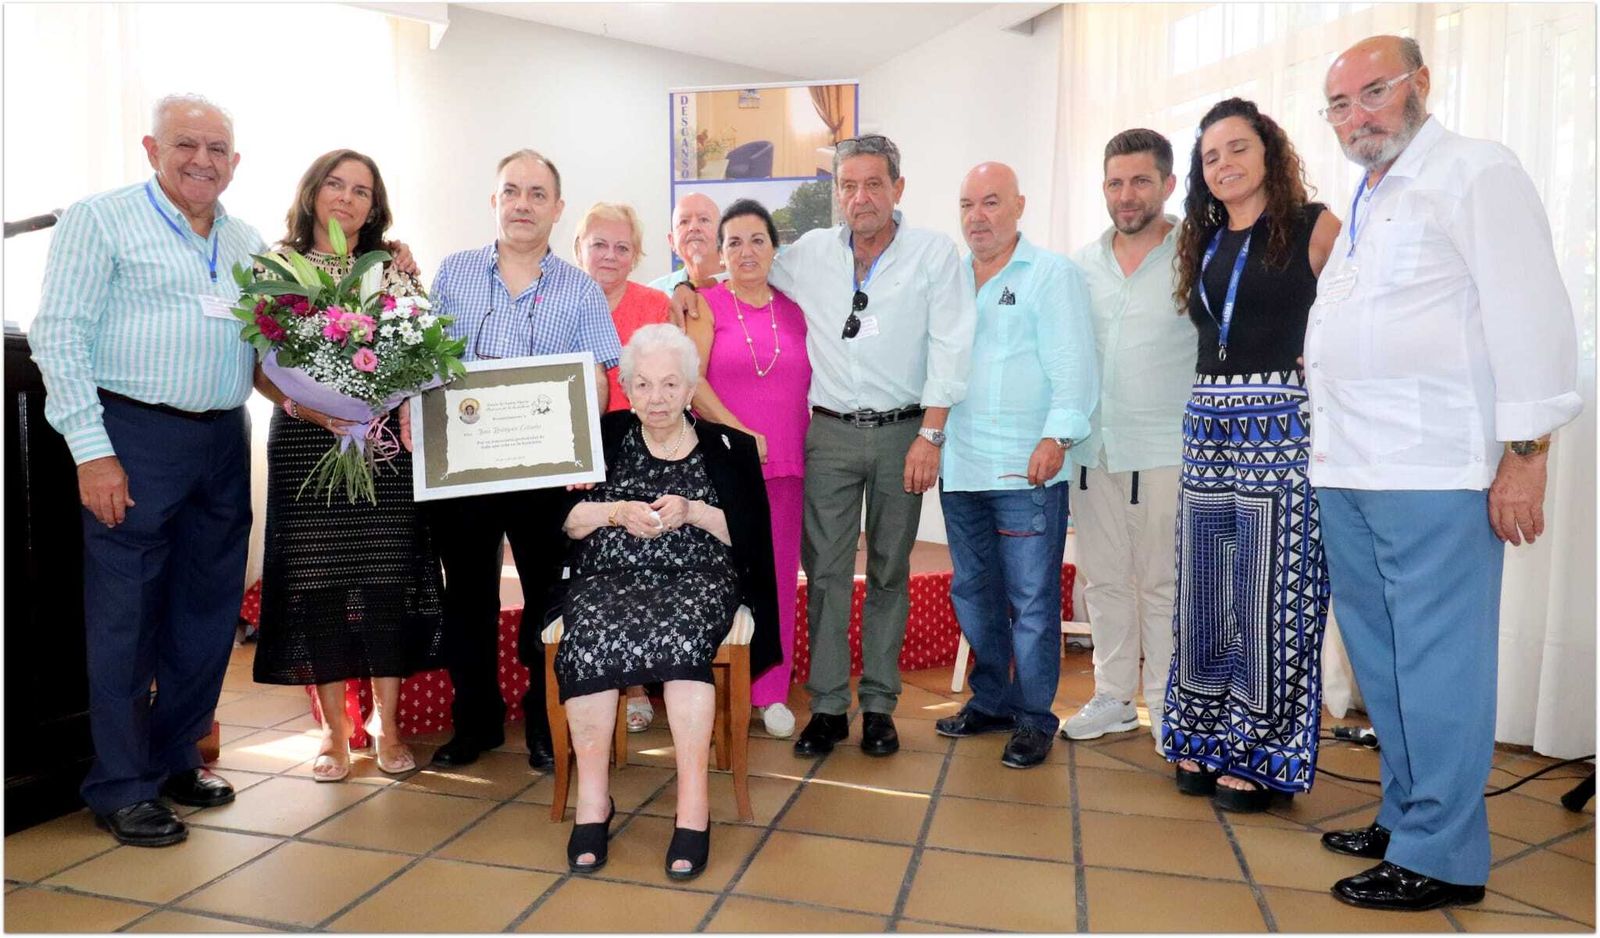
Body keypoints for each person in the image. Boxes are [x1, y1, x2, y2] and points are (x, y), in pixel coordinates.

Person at [1308, 36, 1582, 911]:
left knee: (1438, 664)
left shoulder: (1476, 172)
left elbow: (1533, 318)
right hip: (1350, 463)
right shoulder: (1373, 191)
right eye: (1340, 105)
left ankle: (1445, 854)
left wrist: (1526, 458)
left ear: (1419, 86)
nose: (1358, 116)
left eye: (1373, 93)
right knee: (1384, 661)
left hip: (1435, 467)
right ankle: (1405, 815)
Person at [678, 134, 975, 759]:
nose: (860, 197)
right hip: (830, 433)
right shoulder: (810, 253)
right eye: (848, 185)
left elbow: (952, 345)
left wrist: (931, 434)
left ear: (898, 188)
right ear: (836, 193)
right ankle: (831, 707)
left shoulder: (934, 254)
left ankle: (880, 706)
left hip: (905, 432)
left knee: (892, 570)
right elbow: (742, 262)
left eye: (873, 184)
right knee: (830, 572)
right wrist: (686, 281)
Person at [30, 94, 261, 846]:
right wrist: (92, 451)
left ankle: (173, 759)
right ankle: (120, 785)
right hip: (133, 436)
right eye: (186, 144)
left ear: (236, 161)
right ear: (151, 147)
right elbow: (58, 334)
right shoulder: (100, 220)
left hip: (224, 441)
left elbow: (271, 350)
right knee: (126, 619)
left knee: (206, 615)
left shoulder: (247, 241)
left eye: (217, 149)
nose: (203, 160)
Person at [1163, 98, 1342, 812]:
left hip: (1284, 424)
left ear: (1270, 152)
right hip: (1207, 418)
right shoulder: (1200, 238)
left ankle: (1263, 753)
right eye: (1211, 157)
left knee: (1274, 592)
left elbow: (1362, 302)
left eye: (1238, 148)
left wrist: (1324, 356)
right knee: (1206, 585)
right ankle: (1203, 733)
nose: (1225, 164)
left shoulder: (1313, 225)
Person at [555, 324, 779, 879]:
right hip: (608, 576)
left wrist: (695, 512)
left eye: (670, 384)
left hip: (699, 577)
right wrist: (615, 512)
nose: (657, 398)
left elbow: (750, 538)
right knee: (589, 633)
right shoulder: (599, 438)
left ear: (690, 388)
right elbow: (562, 520)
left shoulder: (730, 447)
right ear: (627, 387)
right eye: (644, 384)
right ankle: (593, 803)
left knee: (683, 637)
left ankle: (693, 808)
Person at [249, 149, 445, 781]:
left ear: (374, 205)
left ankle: (388, 727)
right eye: (335, 184)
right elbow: (259, 367)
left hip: (382, 444)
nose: (347, 198)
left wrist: (374, 403)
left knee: (386, 581)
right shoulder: (276, 267)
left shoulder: (393, 267)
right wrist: (317, 413)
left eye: (362, 190)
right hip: (306, 441)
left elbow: (419, 349)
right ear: (312, 192)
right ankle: (337, 733)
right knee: (321, 588)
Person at [426, 149, 622, 771]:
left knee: (546, 601)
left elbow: (597, 379)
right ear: (494, 200)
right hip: (464, 472)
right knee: (469, 602)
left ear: (557, 210)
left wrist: (582, 446)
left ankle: (544, 722)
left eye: (538, 194)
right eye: (512, 191)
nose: (523, 204)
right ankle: (475, 723)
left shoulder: (580, 288)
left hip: (548, 477)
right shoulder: (452, 275)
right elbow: (427, 368)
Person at [933, 163, 1097, 769]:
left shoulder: (1051, 275)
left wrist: (1057, 436)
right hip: (961, 465)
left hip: (1027, 469)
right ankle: (992, 701)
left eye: (992, 202)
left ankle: (1033, 717)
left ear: (1020, 206)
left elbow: (1074, 364)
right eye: (968, 204)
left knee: (1030, 601)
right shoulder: (950, 277)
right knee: (974, 593)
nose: (978, 216)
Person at [1062, 130, 1195, 748]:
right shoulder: (1081, 264)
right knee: (1105, 581)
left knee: (1164, 583)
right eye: (1115, 182)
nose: (1126, 194)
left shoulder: (1199, 255)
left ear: (1168, 185)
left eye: (1140, 181)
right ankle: (1113, 697)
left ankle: (1169, 707)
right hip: (1092, 452)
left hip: (1165, 450)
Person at [684, 199, 811, 739]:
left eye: (757, 239)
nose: (745, 251)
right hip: (725, 468)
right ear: (720, 251)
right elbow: (691, 380)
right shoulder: (704, 305)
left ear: (775, 248)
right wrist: (738, 432)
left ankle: (771, 692)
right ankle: (706, 688)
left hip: (787, 465)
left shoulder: (795, 308)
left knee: (779, 578)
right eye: (733, 242)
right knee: (719, 578)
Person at [573, 201, 672, 415]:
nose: (610, 255)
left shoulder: (657, 305)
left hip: (639, 436)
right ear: (578, 249)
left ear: (635, 257)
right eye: (599, 245)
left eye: (622, 248)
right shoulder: (553, 305)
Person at [647, 192, 725, 294]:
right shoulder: (655, 293)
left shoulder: (744, 286)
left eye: (704, 220)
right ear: (672, 241)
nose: (693, 227)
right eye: (683, 222)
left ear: (723, 235)